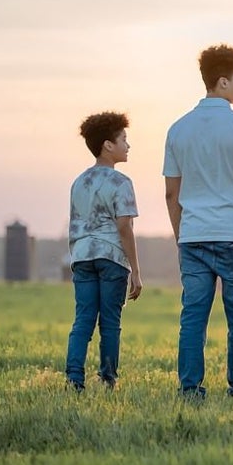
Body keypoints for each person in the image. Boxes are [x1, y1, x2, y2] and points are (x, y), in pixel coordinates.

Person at [164, 44, 233, 399]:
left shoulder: (177, 130)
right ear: (222, 82)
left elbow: (171, 194)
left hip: (193, 237)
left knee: (193, 317)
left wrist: (182, 236)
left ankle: (190, 388)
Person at [65, 111, 143, 392]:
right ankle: (108, 379)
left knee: (83, 319)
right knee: (110, 322)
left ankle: (74, 379)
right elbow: (124, 227)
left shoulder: (79, 182)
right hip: (111, 257)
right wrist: (135, 269)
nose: (128, 145)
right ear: (108, 145)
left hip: (82, 256)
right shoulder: (121, 182)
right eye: (124, 139)